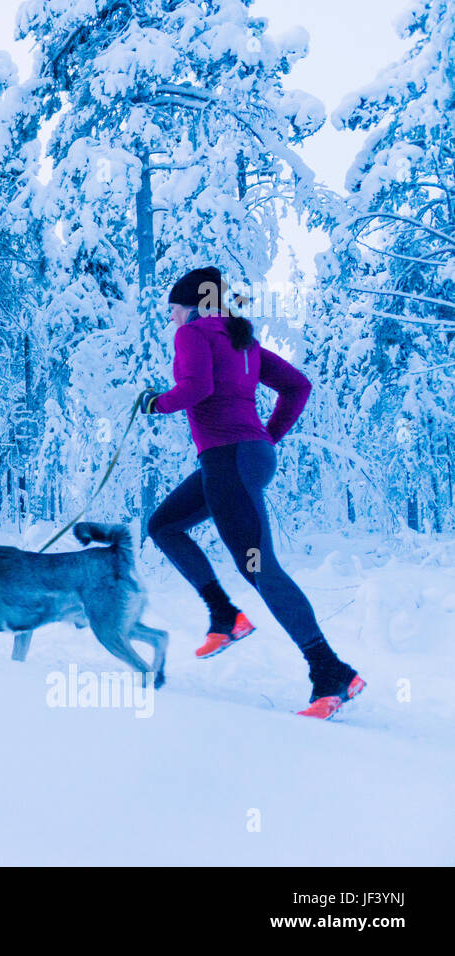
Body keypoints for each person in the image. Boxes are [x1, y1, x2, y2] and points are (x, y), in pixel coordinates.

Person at [141, 266, 365, 719]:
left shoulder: (194, 334)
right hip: (237, 461)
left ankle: (330, 671)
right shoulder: (242, 340)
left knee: (262, 570)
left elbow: (197, 388)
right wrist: (266, 437)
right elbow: (297, 386)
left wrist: (155, 402)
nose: (170, 321)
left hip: (229, 462)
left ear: (190, 307)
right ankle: (225, 615)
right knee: (164, 525)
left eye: (172, 311)